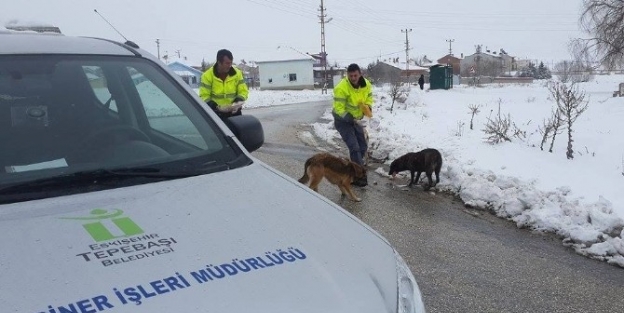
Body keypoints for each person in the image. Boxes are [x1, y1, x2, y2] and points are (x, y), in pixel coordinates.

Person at [332, 63, 373, 187]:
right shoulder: (341, 88)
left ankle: (354, 168)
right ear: (347, 75)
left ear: (360, 74)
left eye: (355, 75)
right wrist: (350, 119)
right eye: (351, 76)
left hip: (357, 120)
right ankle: (358, 176)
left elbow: (369, 98)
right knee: (354, 147)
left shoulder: (366, 84)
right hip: (343, 121)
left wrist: (368, 107)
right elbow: (338, 109)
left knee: (362, 146)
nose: (353, 78)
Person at [199, 49, 249, 119]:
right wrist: (215, 107)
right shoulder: (207, 76)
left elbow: (243, 91)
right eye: (227, 63)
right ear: (219, 62)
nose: (230, 65)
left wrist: (237, 102)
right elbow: (204, 96)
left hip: (235, 113)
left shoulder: (237, 73)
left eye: (231, 63)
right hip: (216, 115)